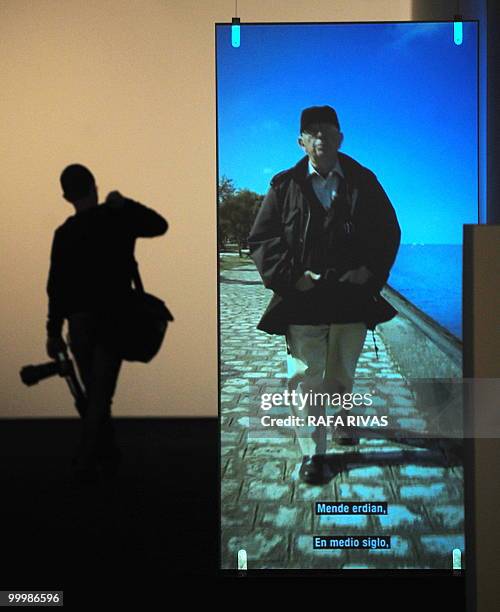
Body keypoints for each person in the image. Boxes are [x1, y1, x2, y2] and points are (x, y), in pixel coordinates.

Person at [248, 106, 400, 484]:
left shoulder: (365, 181)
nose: (321, 138)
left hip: (351, 298)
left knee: (342, 375)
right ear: (301, 142)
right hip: (303, 300)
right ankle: (313, 454)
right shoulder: (283, 186)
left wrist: (369, 272)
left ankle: (344, 421)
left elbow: (388, 232)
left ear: (340, 137)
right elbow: (262, 239)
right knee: (306, 379)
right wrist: (292, 277)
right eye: (312, 132)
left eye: (328, 131)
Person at [46, 164, 167, 482]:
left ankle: (102, 456)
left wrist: (52, 332)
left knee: (95, 395)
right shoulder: (116, 217)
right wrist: (125, 203)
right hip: (114, 320)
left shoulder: (65, 233)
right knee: (100, 395)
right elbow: (159, 225)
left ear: (66, 196)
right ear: (94, 186)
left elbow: (56, 287)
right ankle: (91, 459)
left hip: (80, 324)